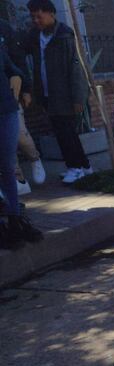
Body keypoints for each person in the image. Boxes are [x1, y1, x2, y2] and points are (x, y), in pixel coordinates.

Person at [24, 0, 91, 184]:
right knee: (65, 132)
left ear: (51, 14)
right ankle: (84, 166)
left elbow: (75, 69)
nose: (36, 20)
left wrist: (78, 98)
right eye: (33, 17)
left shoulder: (64, 36)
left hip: (64, 95)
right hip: (47, 94)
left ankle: (75, 167)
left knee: (66, 133)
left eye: (39, 16)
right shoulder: (35, 36)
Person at [0, 48, 43, 248]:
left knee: (8, 168)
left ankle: (15, 221)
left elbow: (11, 67)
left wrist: (21, 81)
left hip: (6, 110)